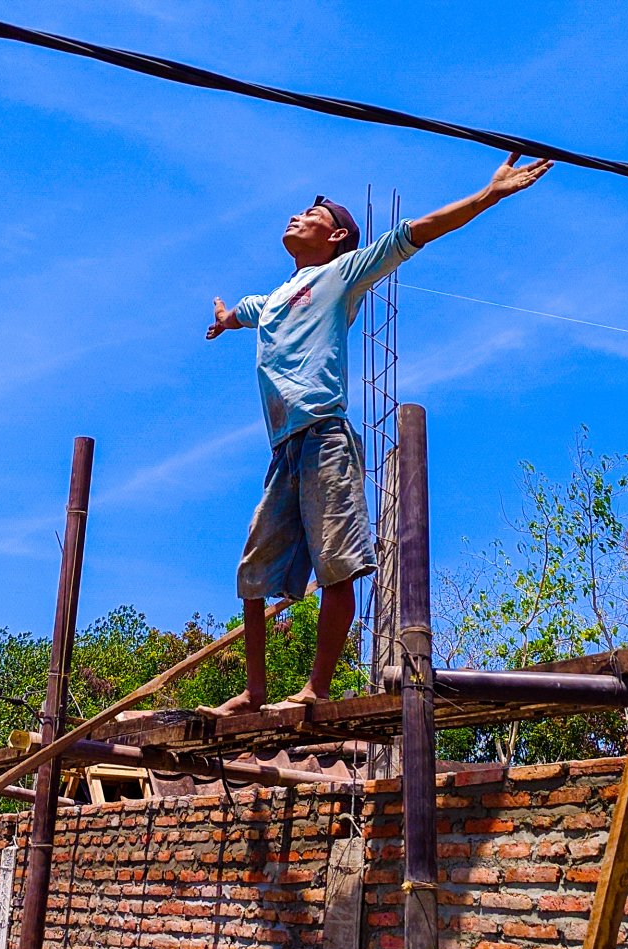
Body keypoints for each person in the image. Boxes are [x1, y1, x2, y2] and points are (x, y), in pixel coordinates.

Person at [201, 152, 554, 718]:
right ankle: (255, 691)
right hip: (284, 448)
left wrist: (487, 196)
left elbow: (417, 232)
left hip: (325, 437)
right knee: (253, 572)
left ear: (337, 236)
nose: (297, 216)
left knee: (337, 562)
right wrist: (224, 320)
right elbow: (245, 312)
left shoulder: (342, 274)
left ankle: (316, 687)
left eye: (311, 215)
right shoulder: (270, 300)